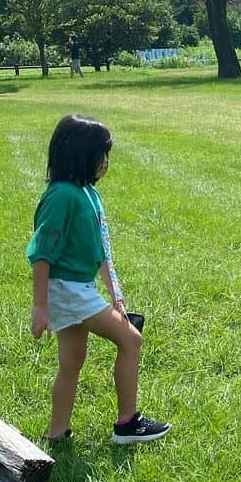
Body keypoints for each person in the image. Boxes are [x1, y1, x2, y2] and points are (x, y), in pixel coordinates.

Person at [27, 114, 170, 445]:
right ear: (78, 155)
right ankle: (127, 424)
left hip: (78, 288)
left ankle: (57, 434)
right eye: (100, 155)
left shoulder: (86, 192)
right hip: (68, 290)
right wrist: (40, 306)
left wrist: (114, 294)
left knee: (72, 361)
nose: (105, 162)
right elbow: (42, 253)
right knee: (131, 340)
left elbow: (101, 249)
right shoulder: (62, 195)